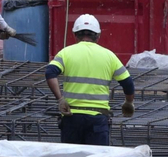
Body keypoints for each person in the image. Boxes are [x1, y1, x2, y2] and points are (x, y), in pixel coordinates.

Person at [45, 15, 135, 145]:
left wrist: (60, 99)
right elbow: (128, 83)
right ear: (98, 36)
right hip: (98, 119)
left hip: (71, 118)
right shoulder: (109, 56)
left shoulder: (66, 53)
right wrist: (128, 102)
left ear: (75, 35)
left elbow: (50, 73)